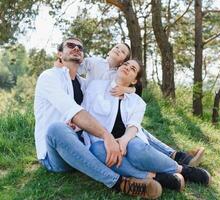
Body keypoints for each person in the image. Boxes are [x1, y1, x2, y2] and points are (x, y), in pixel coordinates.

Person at [34, 37, 162, 199]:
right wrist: (105, 135)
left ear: (82, 57)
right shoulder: (50, 77)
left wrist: (129, 90)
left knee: (127, 129)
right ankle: (119, 183)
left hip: (81, 146)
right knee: (57, 128)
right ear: (59, 53)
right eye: (70, 45)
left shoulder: (83, 83)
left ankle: (166, 166)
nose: (76, 48)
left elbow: (109, 90)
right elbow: (74, 112)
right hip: (55, 154)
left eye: (80, 47)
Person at [82, 59, 212, 191]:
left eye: (133, 69)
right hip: (100, 141)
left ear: (134, 81)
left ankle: (183, 170)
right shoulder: (96, 86)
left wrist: (124, 141)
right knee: (97, 150)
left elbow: (134, 125)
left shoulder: (137, 102)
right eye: (126, 64)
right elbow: (84, 113)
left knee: (137, 149)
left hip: (128, 140)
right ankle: (156, 177)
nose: (127, 67)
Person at [79, 42, 205, 167]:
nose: (118, 50)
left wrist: (127, 89)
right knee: (136, 129)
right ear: (109, 50)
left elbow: (134, 88)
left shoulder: (118, 72)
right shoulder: (94, 62)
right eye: (116, 47)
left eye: (123, 52)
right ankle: (177, 156)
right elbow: (76, 68)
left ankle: (175, 158)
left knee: (134, 128)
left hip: (108, 110)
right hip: (92, 106)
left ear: (122, 61)